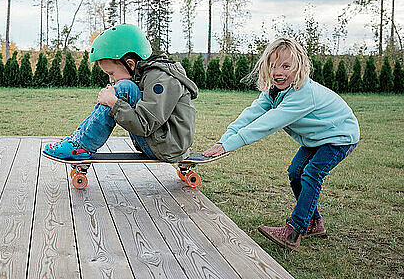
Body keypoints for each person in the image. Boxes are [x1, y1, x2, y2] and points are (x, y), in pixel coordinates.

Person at [202, 37, 359, 251]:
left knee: (312, 173)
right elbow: (250, 115)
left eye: (286, 66)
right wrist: (223, 141)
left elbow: (266, 124)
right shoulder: (274, 92)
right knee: (296, 171)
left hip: (340, 135)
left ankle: (293, 231)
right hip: (318, 137)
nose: (278, 72)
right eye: (273, 66)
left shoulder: (303, 94)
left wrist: (228, 146)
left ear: (300, 67)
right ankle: (314, 223)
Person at [43, 23, 198, 163]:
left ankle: (81, 145)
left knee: (124, 88)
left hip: (167, 147)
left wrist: (113, 102)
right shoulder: (146, 74)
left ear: (130, 64)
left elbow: (144, 125)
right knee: (121, 88)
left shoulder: (161, 79)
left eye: (111, 73)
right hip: (160, 143)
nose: (111, 80)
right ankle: (78, 140)